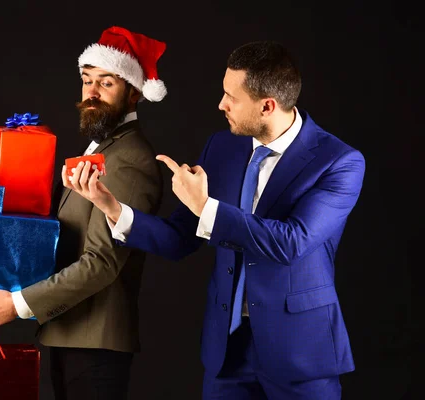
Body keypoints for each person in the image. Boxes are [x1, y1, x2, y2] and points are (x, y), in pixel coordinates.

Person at [65, 40, 365, 400]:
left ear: (267, 106)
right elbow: (179, 239)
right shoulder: (221, 147)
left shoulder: (339, 162)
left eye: (231, 97)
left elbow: (291, 242)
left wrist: (207, 207)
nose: (221, 104)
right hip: (227, 350)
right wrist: (110, 206)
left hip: (300, 352)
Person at [0, 26, 167, 400]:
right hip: (70, 334)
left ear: (134, 93)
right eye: (87, 81)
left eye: (106, 83)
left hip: (96, 345)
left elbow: (102, 262)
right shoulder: (104, 147)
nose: (92, 92)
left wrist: (19, 304)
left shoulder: (130, 160)